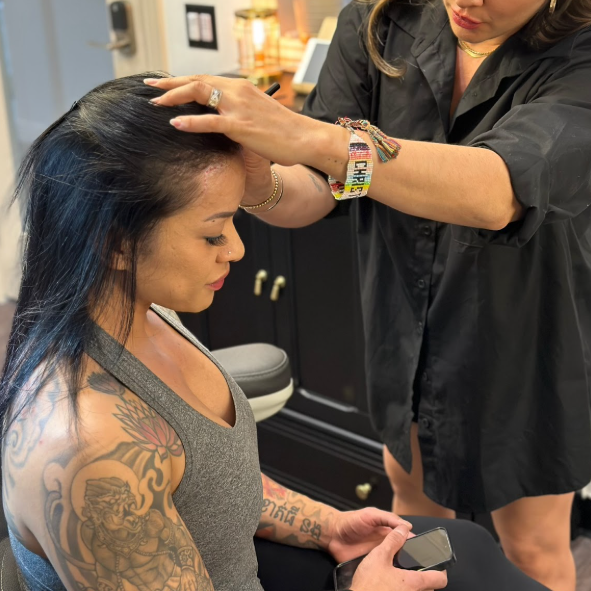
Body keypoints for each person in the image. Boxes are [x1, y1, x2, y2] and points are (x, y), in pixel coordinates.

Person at [145, 0, 591, 591]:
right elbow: (325, 189)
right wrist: (259, 176)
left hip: (527, 342)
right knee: (415, 525)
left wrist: (316, 139)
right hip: (406, 326)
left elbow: (496, 189)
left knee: (532, 550)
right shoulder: (385, 20)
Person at [0, 75, 548, 591]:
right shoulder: (93, 454)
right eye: (213, 233)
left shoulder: (143, 311)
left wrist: (325, 523)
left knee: (468, 546)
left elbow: (210, 483)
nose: (237, 250)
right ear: (116, 244)